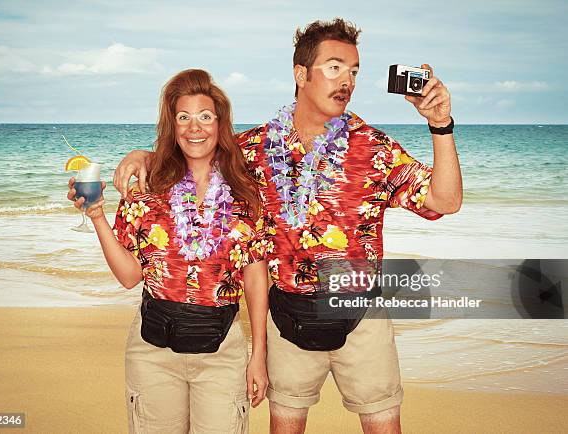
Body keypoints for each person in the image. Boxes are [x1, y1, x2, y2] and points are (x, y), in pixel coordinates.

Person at [112, 18, 462, 434]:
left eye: (353, 71)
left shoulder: (374, 148)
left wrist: (440, 125)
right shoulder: (254, 148)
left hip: (360, 312)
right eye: (334, 67)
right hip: (286, 314)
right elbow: (195, 148)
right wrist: (145, 156)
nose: (346, 81)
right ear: (301, 74)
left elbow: (445, 201)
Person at [68, 69, 269, 433]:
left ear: (220, 124)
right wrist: (96, 215)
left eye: (205, 117)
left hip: (223, 351)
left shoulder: (246, 193)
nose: (195, 128)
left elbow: (255, 276)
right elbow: (129, 276)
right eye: (184, 117)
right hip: (153, 353)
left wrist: (260, 355)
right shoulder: (146, 189)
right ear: (172, 126)